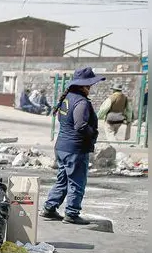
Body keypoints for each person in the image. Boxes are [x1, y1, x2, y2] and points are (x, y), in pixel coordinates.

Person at [42, 67, 105, 225]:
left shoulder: (68, 98)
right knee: (77, 181)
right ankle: (71, 213)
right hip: (75, 149)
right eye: (89, 85)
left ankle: (49, 208)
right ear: (84, 86)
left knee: (63, 179)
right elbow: (80, 125)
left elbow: (64, 121)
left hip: (62, 147)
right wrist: (93, 133)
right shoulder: (81, 102)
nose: (90, 88)